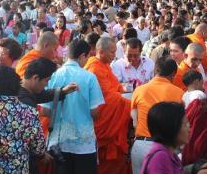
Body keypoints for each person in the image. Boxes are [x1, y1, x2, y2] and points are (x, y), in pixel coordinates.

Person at [41, 39, 104, 174]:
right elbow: (94, 113)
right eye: (87, 57)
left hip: (59, 142)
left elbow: (45, 111)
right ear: (82, 56)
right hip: (83, 142)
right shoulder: (89, 77)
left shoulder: (53, 76)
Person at [19, 57, 78, 174]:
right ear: (35, 78)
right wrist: (41, 154)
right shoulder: (26, 104)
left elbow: (41, 95)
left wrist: (62, 91)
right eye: (46, 81)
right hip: (23, 159)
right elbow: (32, 135)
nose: (46, 85)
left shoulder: (20, 90)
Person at [84, 37, 131, 174]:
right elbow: (105, 96)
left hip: (112, 115)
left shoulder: (104, 66)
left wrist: (123, 91)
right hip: (102, 119)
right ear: (101, 51)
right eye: (111, 52)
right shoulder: (94, 68)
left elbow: (114, 87)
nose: (114, 56)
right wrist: (129, 103)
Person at [130, 57, 184, 174]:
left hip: (140, 145)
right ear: (173, 74)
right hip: (163, 149)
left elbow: (134, 122)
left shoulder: (139, 90)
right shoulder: (179, 93)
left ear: (155, 71)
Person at [139, 102, 207, 174]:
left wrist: (195, 169)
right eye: (185, 124)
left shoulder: (170, 153)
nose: (189, 129)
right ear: (172, 128)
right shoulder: (160, 157)